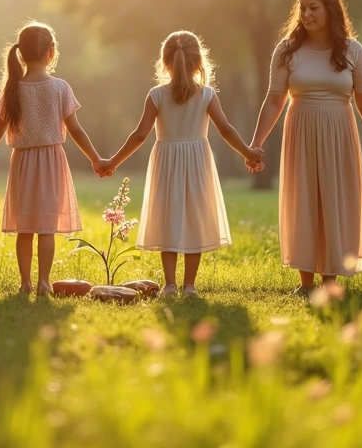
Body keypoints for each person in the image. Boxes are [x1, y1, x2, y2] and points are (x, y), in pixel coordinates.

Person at [98, 31, 263, 297]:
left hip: (167, 163)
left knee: (169, 219)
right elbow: (226, 129)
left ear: (165, 62)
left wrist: (112, 161)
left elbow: (139, 135)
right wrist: (248, 152)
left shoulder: (157, 95)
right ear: (199, 62)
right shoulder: (207, 95)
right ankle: (189, 286)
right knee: (195, 220)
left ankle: (170, 285)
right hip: (197, 163)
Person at [249, 0, 362, 295]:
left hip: (339, 133)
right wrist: (256, 143)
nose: (306, 14)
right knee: (304, 201)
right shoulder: (287, 50)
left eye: (313, 7)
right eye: (302, 8)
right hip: (301, 132)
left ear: (330, 9)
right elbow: (274, 99)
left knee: (336, 200)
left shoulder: (353, 50)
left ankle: (330, 281)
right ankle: (306, 282)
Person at [0, 22, 105, 295]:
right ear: (51, 52)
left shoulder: (13, 89)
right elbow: (76, 130)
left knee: (25, 228)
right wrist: (96, 159)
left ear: (21, 54)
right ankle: (44, 282)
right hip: (51, 162)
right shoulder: (60, 88)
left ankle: (25, 282)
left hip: (22, 164)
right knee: (47, 227)